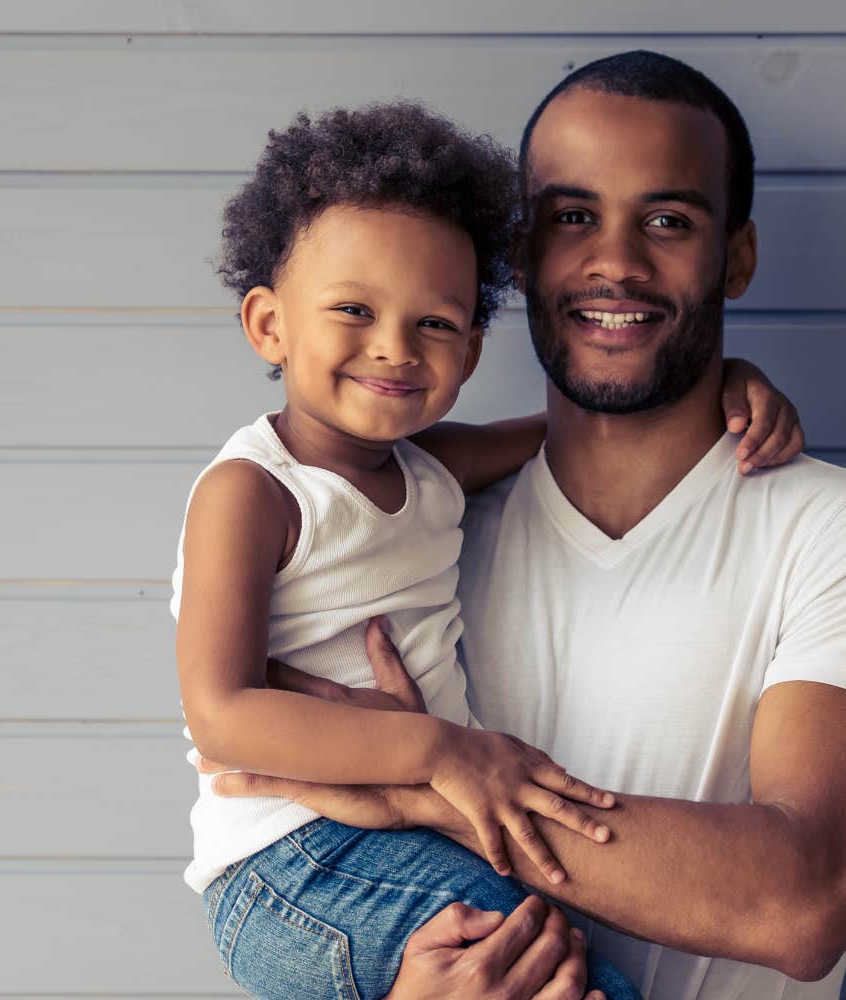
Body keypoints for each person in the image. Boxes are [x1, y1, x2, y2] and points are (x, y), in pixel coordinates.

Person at [201, 51, 846, 1000]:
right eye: (571, 217)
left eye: (668, 220)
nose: (615, 262)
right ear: (519, 257)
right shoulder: (407, 529)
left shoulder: (821, 526)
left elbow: (801, 904)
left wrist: (421, 791)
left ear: (734, 257)